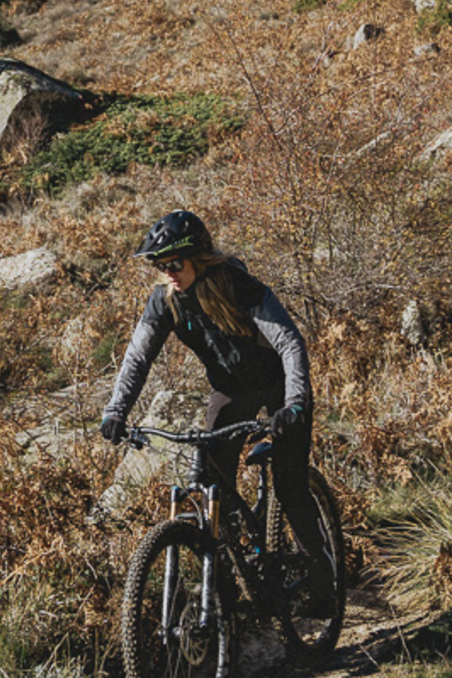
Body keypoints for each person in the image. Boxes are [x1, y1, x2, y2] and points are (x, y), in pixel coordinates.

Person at [99, 209, 330, 599]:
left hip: (278, 386)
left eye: (175, 262)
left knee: (290, 487)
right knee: (210, 478)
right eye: (160, 264)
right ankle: (236, 574)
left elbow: (289, 342)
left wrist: (294, 404)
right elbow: (137, 358)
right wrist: (115, 411)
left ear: (198, 257)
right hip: (230, 391)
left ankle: (324, 585)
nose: (168, 271)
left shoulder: (237, 284)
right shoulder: (166, 301)